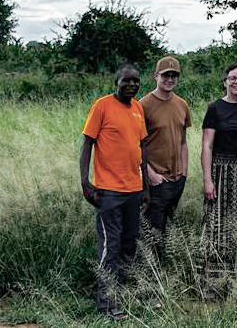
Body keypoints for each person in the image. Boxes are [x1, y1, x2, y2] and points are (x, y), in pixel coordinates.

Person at [80, 63, 148, 318]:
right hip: (108, 191)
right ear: (116, 83)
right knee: (111, 246)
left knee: (128, 246)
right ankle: (106, 305)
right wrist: (86, 183)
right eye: (126, 81)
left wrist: (146, 187)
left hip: (134, 189)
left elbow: (140, 148)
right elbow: (87, 143)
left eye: (135, 81)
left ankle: (120, 295)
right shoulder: (102, 106)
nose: (131, 85)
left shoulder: (138, 108)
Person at [199, 62, 237, 294]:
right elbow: (207, 145)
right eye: (233, 78)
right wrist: (207, 178)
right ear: (225, 81)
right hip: (221, 171)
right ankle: (213, 284)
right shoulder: (215, 108)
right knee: (217, 225)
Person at [140, 55, 191, 258]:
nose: (169, 79)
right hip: (155, 178)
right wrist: (150, 174)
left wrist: (184, 173)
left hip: (177, 178)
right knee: (152, 230)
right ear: (156, 76)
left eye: (174, 75)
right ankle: (150, 274)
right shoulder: (143, 105)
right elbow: (136, 144)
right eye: (165, 75)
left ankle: (165, 270)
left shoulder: (182, 104)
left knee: (168, 225)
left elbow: (183, 141)